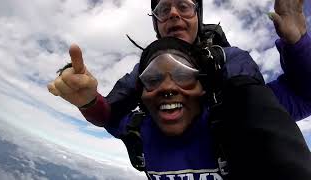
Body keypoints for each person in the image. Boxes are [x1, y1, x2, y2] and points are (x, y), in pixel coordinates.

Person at [106, 37, 311, 180]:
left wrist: (297, 42)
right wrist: (87, 100)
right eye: (153, 79)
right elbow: (107, 117)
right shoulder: (139, 128)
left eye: (183, 75)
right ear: (142, 93)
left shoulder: (243, 113)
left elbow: (305, 97)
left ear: (202, 87)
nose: (167, 87)